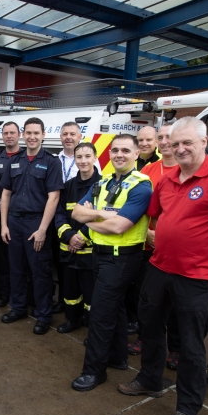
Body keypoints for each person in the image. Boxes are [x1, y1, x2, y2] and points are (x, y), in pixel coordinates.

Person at [118, 117, 208, 415]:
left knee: (191, 345)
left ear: (204, 143)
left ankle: (187, 407)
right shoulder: (167, 179)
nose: (180, 149)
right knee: (149, 328)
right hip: (159, 269)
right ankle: (150, 378)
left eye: (187, 142)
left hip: (197, 277)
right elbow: (154, 217)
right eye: (175, 144)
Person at [70, 135, 153, 392]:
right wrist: (102, 214)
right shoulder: (104, 181)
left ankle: (93, 371)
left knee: (100, 314)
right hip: (100, 254)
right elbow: (75, 212)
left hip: (122, 258)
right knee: (115, 309)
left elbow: (119, 226)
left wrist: (91, 218)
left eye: (125, 150)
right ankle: (117, 357)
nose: (119, 154)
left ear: (136, 154)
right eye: (115, 150)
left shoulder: (141, 186)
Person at [0, 117, 63, 333]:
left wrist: (43, 230)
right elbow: (6, 193)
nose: (32, 136)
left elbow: (53, 198)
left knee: (40, 272)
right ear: (23, 135)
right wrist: (4, 225)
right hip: (14, 223)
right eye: (29, 132)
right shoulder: (14, 160)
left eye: (36, 133)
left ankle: (43, 315)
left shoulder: (52, 162)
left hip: (37, 222)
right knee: (16, 269)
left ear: (43, 135)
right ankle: (18, 308)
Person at [129, 123, 179, 359]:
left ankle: (176, 348)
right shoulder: (149, 170)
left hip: (177, 252)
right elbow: (140, 207)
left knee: (177, 302)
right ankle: (144, 336)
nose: (165, 141)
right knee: (147, 297)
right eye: (162, 137)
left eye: (170, 136)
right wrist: (147, 234)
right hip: (148, 246)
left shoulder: (186, 170)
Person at [54, 142, 100, 334]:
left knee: (91, 294)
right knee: (70, 291)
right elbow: (59, 214)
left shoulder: (103, 186)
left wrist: (80, 238)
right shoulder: (68, 186)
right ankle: (72, 320)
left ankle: (92, 327)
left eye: (87, 156)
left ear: (95, 158)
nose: (83, 161)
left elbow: (100, 217)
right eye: (79, 157)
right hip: (69, 251)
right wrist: (68, 237)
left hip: (90, 253)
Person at [0, 122, 22, 308]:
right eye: (6, 133)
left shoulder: (26, 158)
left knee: (19, 259)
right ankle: (3, 292)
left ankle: (21, 294)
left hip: (19, 216)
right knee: (0, 258)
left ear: (19, 135)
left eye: (12, 133)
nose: (9, 136)